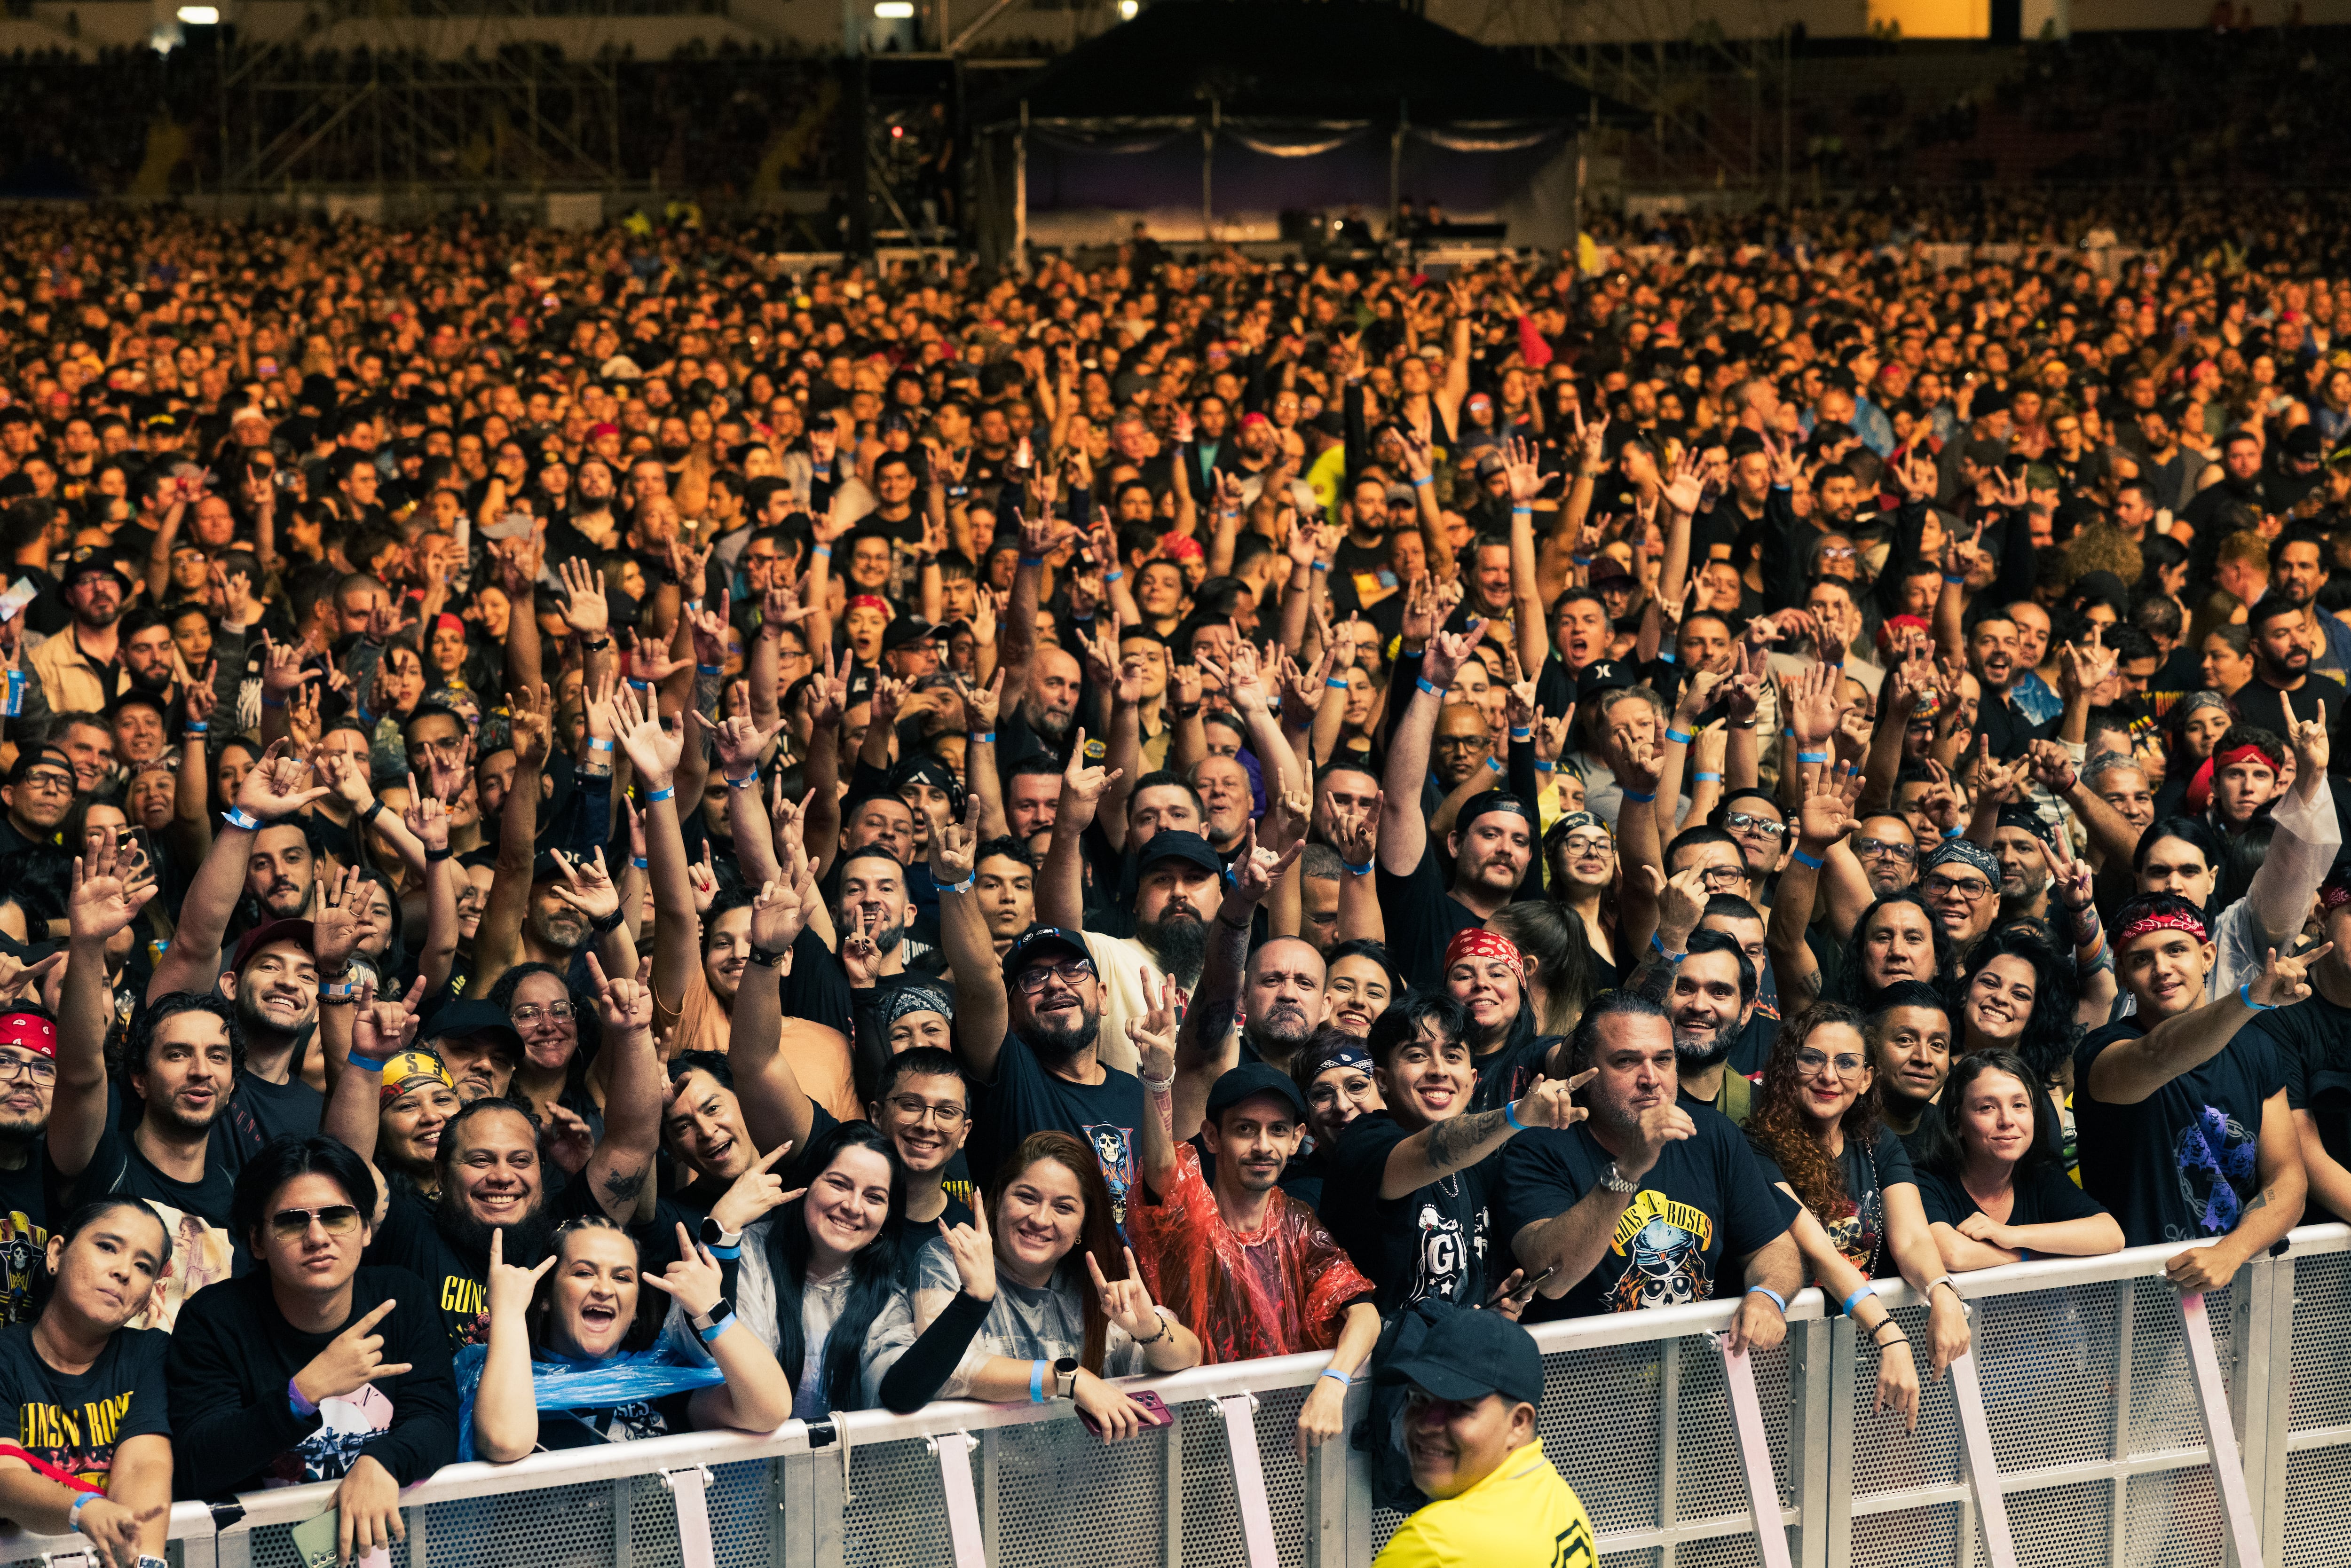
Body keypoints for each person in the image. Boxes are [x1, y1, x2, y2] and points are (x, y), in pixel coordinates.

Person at [166, 1137, 457, 1561]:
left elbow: (437, 1419)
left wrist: (382, 1461)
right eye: (291, 1222)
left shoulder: (401, 1297)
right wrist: (303, 1393)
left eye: (338, 1217)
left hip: (386, 1548)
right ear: (257, 1240)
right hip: (257, 1556)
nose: (317, 1237)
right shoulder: (215, 1319)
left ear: (367, 1229)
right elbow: (198, 1463)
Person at [1496, 993, 1802, 1328]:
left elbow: (1774, 1248)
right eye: (1626, 1061)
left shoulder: (1713, 1134)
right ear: (1585, 1071)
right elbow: (1552, 1278)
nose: (1651, 1078)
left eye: (1663, 1060)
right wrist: (1629, 1168)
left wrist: (1766, 1297)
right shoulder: (1537, 1149)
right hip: (1586, 1361)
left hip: (1696, 1357)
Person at [870, 1129, 1202, 1434]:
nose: (1040, 1219)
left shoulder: (1090, 1285)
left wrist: (1148, 1328)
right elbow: (949, 1370)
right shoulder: (950, 1259)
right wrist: (1067, 1378)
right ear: (1000, 1198)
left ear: (1083, 1226)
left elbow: (1190, 1355)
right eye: (1027, 1197)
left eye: (1064, 1207)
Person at [2074, 893, 2317, 1287]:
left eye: (2176, 950)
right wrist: (2249, 999)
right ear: (2122, 975)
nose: (2162, 968)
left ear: (2207, 956)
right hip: (2131, 1291)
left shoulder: (2257, 1047)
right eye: (2141, 959)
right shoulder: (2101, 1051)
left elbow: (2288, 1177)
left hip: (2237, 1282)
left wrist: (2231, 1252)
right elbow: (2158, 1053)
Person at [463, 1212, 793, 1459]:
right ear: (546, 1296)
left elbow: (769, 1410)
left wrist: (711, 1308)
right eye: (584, 1272)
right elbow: (505, 1441)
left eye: (622, 1278)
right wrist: (508, 1313)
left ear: (635, 1308)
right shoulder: (503, 1377)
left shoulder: (665, 1381)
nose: (604, 1289)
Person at [0, 1199, 175, 1567]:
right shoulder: (6, 1357)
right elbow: (5, 1477)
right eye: (108, 1246)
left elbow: (144, 1464)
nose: (124, 1271)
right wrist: (85, 1508)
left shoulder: (147, 1354)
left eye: (144, 1266)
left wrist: (144, 1561)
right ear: (56, 1253)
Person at [1367, 1303, 1596, 1568]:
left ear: (1518, 1423)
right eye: (1419, 1399)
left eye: (1460, 1407)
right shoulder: (1554, 1491)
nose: (1427, 1425)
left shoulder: (1433, 1542)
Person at [1917, 1050, 2124, 1269]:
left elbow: (2111, 1234)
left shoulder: (2041, 1175)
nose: (2007, 1120)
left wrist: (2010, 1235)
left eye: (2019, 1105)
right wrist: (2030, 1254)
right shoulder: (1926, 1182)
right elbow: (1952, 1254)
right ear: (1957, 1123)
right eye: (1987, 1108)